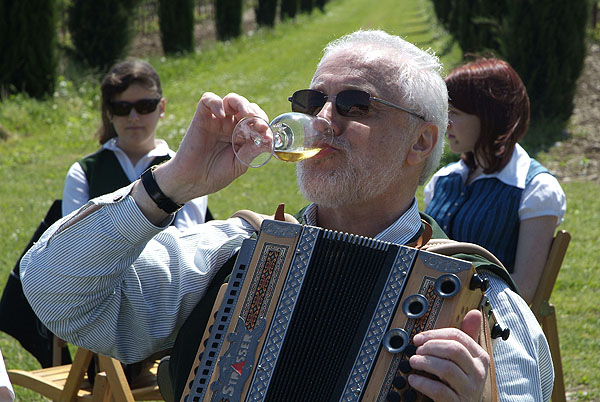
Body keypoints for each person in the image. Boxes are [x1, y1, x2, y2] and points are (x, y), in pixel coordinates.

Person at [20, 31, 553, 401]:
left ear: (421, 142)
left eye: (355, 104)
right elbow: (51, 288)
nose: (323, 119)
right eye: (312, 100)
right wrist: (174, 182)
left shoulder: (482, 305)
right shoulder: (234, 253)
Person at [424, 58, 566, 303]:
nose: (445, 123)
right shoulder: (443, 179)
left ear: (489, 117)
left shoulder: (536, 188)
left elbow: (525, 288)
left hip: (493, 318)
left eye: (454, 113)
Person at [61, 59, 208, 230]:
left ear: (161, 107)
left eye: (144, 106)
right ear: (110, 112)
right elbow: (73, 240)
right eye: (122, 108)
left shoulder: (187, 169)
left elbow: (188, 240)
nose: (133, 117)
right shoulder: (83, 173)